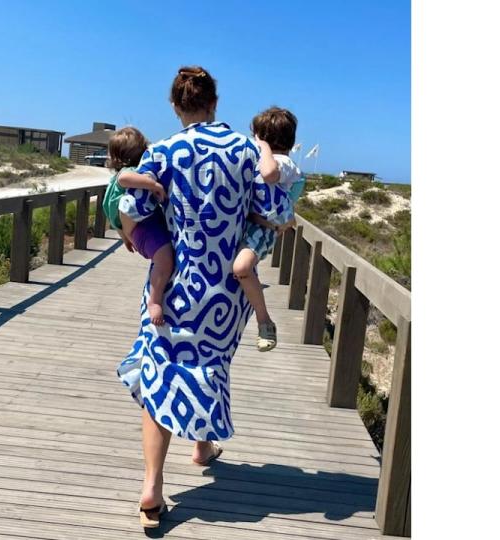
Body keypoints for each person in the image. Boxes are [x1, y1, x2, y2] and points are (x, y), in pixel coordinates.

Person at [114, 66, 291, 529]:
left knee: (161, 376)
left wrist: (142, 238)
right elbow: (275, 210)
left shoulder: (164, 151)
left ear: (176, 107)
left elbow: (131, 206)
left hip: (174, 285)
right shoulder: (246, 149)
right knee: (208, 366)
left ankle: (152, 488)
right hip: (224, 293)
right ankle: (202, 446)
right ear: (215, 102)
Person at [232, 106, 305, 351]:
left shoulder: (283, 163)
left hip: (263, 230)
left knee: (242, 268)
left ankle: (265, 321)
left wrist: (262, 147)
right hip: (253, 223)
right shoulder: (264, 160)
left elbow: (270, 174)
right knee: (240, 269)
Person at [102, 127, 173, 325]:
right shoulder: (129, 173)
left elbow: (110, 211)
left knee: (165, 258)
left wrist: (124, 236)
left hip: (135, 226)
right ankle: (155, 300)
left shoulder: (122, 177)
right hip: (142, 227)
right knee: (165, 260)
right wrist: (154, 185)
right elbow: (124, 179)